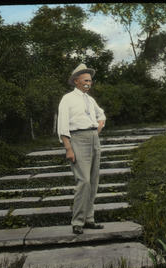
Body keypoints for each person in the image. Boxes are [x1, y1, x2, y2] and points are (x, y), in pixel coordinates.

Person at [57, 63, 106, 234]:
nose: (89, 83)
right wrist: (68, 149)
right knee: (83, 181)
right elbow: (62, 126)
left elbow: (101, 115)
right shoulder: (67, 99)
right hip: (77, 139)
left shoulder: (90, 99)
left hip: (93, 139)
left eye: (90, 81)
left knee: (93, 181)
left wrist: (97, 128)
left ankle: (89, 219)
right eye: (85, 80)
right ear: (76, 81)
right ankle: (77, 221)